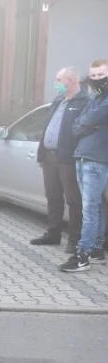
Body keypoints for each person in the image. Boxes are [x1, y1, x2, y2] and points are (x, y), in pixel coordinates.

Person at [60, 60, 108, 272]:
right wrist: (87, 124)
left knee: (89, 208)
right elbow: (76, 125)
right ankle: (97, 249)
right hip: (82, 156)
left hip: (96, 160)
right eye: (94, 75)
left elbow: (89, 120)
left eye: (101, 75)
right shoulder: (94, 98)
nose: (97, 79)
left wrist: (86, 123)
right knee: (94, 207)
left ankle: (82, 257)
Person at [32, 67, 86, 253]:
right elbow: (48, 127)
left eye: (59, 79)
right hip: (49, 157)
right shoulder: (57, 101)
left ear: (71, 81)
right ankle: (53, 233)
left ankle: (74, 239)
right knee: (53, 197)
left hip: (68, 159)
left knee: (73, 200)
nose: (55, 83)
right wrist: (41, 154)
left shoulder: (84, 102)